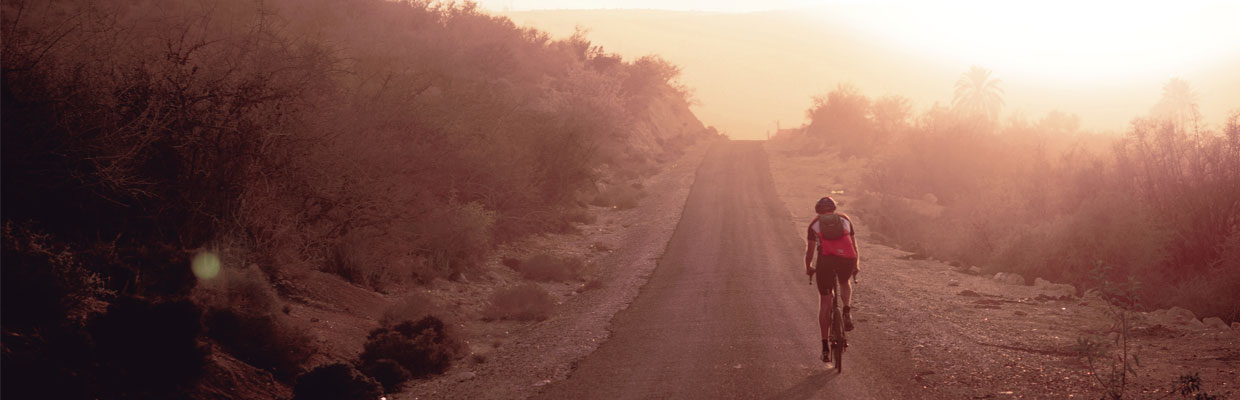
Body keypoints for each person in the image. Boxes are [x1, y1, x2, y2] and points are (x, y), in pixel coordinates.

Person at [804, 196, 859, 363]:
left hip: (826, 263)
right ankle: (847, 310)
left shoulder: (814, 224)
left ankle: (825, 348)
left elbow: (810, 251)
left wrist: (809, 267)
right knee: (844, 282)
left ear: (818, 210)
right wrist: (855, 265)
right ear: (834, 208)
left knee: (825, 302)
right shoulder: (845, 219)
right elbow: (854, 245)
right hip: (847, 259)